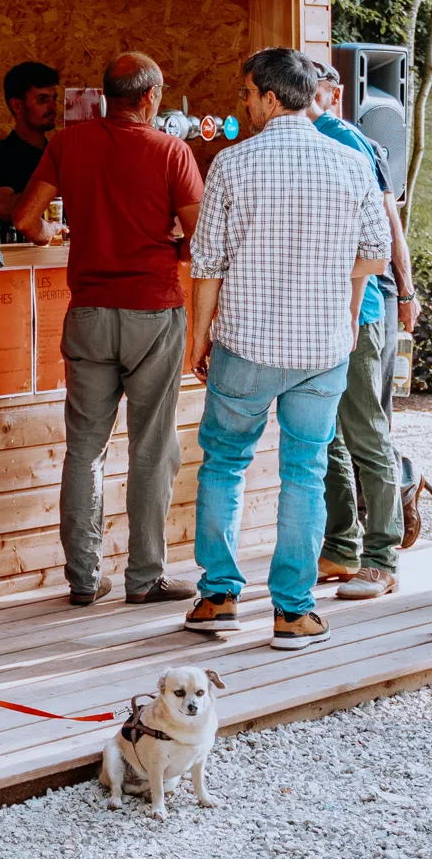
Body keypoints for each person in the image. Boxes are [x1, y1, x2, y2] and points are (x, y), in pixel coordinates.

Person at [183, 48, 390, 651]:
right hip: (323, 348)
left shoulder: (231, 163)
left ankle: (218, 596)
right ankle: (293, 613)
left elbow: (207, 264)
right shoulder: (350, 161)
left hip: (245, 345)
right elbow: (374, 254)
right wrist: (350, 317)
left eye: (248, 94)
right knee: (306, 471)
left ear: (271, 98)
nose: (243, 104)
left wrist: (199, 339)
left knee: (225, 463)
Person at [13, 52, 205, 607]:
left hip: (90, 314)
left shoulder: (67, 144)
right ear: (149, 97)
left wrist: (52, 236)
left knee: (85, 451)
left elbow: (27, 219)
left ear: (104, 96)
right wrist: (171, 240)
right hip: (152, 310)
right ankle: (144, 579)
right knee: (151, 448)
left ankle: (81, 579)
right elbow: (200, 238)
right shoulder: (173, 151)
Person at [306, 60, 419, 600]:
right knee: (325, 435)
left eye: (318, 87)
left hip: (361, 311)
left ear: (333, 93)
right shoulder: (296, 139)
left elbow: (386, 221)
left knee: (365, 433)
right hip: (312, 314)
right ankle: (341, 547)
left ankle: (383, 554)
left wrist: (407, 289)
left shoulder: (345, 138)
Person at [0, 61, 59, 222]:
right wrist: (62, 189)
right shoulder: (0, 155)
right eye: (43, 99)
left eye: (54, 98)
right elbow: (5, 206)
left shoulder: (58, 153)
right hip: (18, 245)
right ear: (17, 106)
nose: (52, 107)